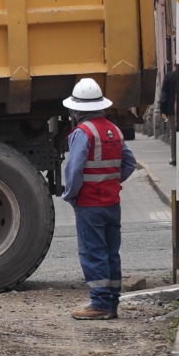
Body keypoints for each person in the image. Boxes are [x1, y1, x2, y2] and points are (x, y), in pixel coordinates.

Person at [61, 77, 136, 320]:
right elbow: (129, 162)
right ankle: (111, 301)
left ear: (75, 110)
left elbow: (74, 169)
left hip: (89, 204)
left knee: (93, 253)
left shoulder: (82, 133)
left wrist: (71, 194)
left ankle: (100, 304)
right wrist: (111, 180)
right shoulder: (114, 129)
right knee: (111, 252)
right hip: (112, 203)